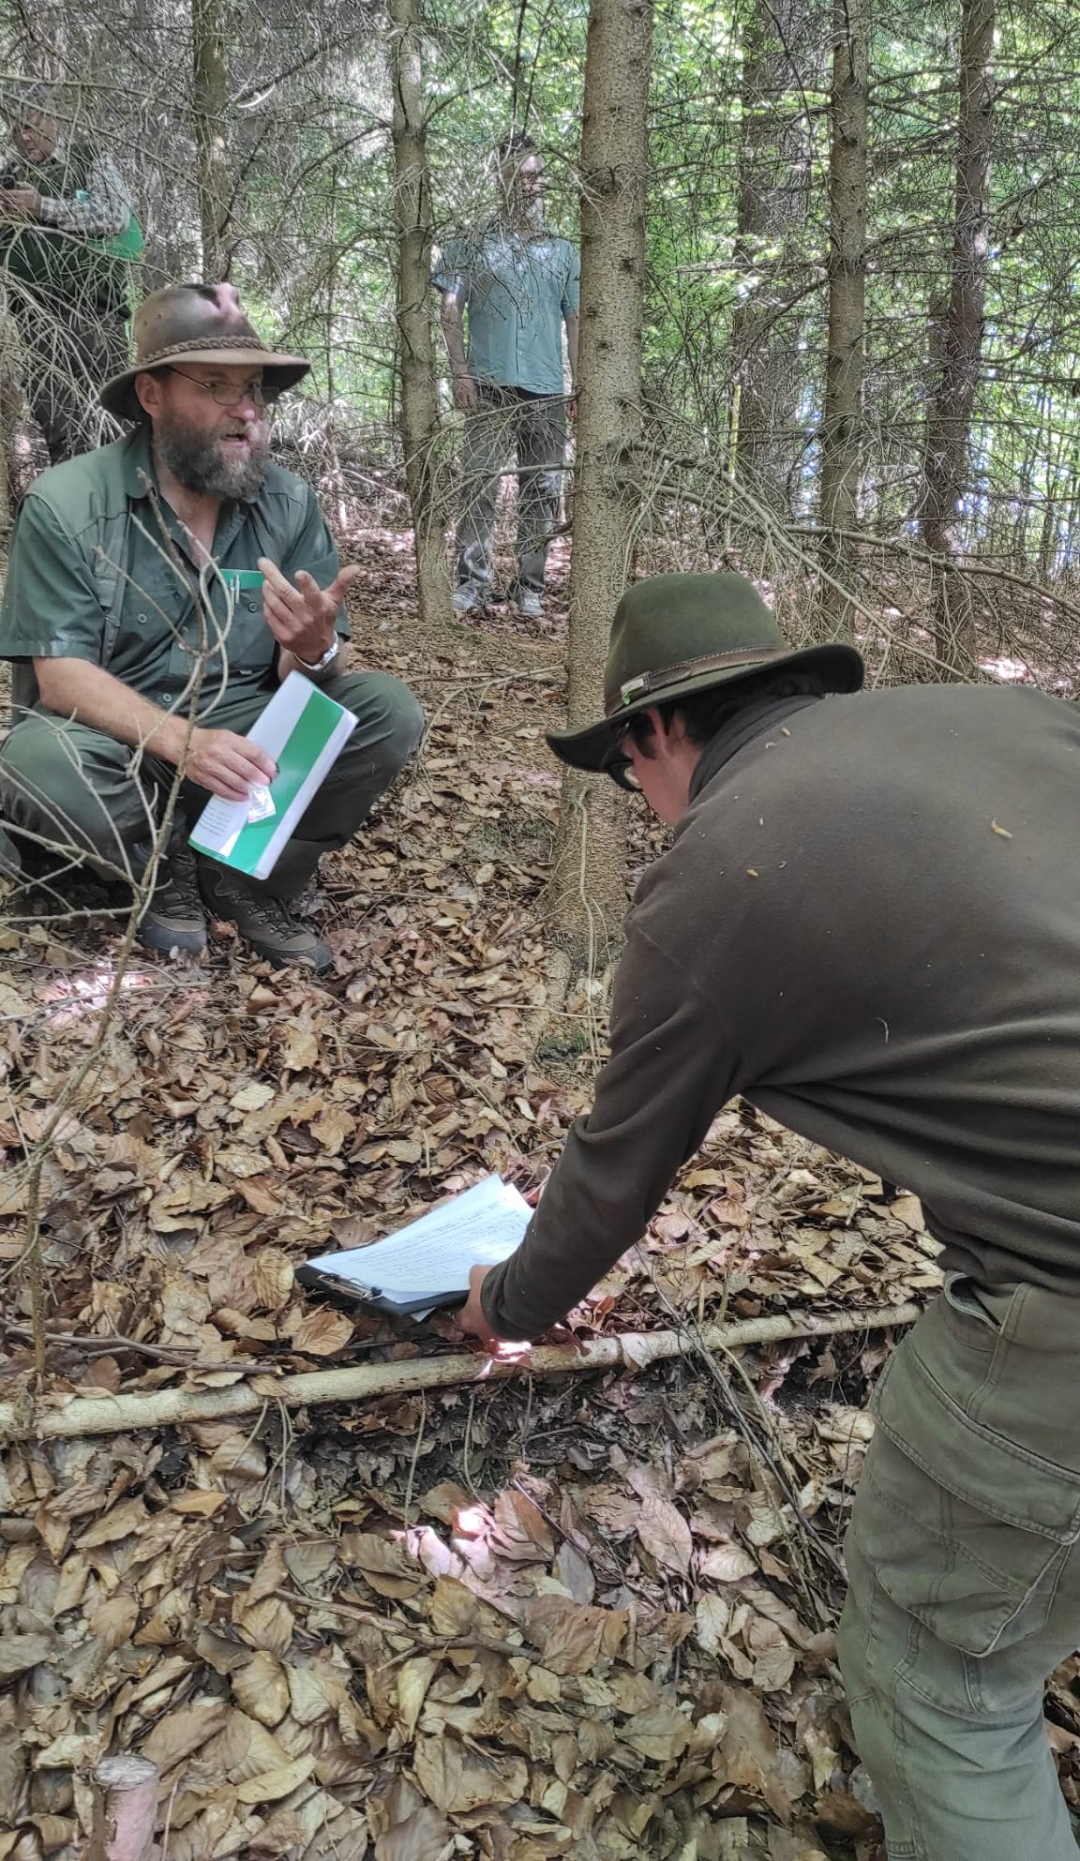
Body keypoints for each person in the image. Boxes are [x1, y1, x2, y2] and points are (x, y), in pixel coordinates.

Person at [459, 570, 1080, 1861]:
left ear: (654, 731)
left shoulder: (719, 870)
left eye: (624, 772)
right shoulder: (1005, 721)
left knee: (943, 1682)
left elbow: (613, 1172)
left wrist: (505, 1303)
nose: (639, 799)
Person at [0, 282, 424, 972]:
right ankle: (159, 868)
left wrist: (313, 651)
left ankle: (244, 875)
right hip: (117, 748)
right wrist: (184, 744)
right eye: (216, 386)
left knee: (383, 708)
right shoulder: (69, 502)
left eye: (253, 389)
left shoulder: (287, 503)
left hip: (241, 747)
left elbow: (310, 675)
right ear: (152, 395)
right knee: (37, 759)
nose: (246, 409)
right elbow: (61, 678)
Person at [434, 133, 579, 619]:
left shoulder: (562, 251)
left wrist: (579, 384)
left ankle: (529, 588)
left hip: (546, 389)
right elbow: (449, 311)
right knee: (478, 484)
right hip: (488, 385)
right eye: (518, 176)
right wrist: (459, 373)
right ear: (500, 179)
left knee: (544, 489)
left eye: (536, 176)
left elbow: (576, 320)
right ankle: (471, 585)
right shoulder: (471, 243)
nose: (529, 185)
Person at [0, 81, 139, 462]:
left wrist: (42, 207)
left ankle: (126, 494)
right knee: (58, 425)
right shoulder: (7, 175)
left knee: (111, 418)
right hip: (36, 321)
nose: (24, 137)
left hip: (96, 314)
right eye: (16, 128)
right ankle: (73, 496)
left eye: (32, 125)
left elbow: (114, 215)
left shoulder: (88, 157)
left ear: (55, 121)